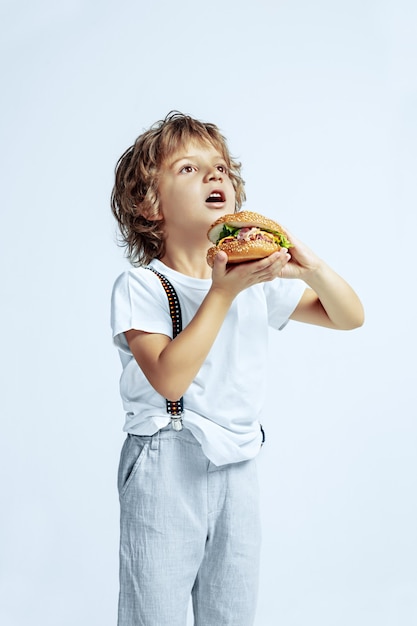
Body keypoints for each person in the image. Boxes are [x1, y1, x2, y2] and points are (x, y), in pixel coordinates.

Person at [110, 111, 364, 626]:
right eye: (189, 168)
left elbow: (349, 317)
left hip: (240, 463)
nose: (214, 175)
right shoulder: (142, 286)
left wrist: (310, 266)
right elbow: (169, 378)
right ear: (149, 204)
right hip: (165, 462)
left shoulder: (255, 282)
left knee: (230, 614)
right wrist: (222, 293)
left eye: (221, 168)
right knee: (152, 613)